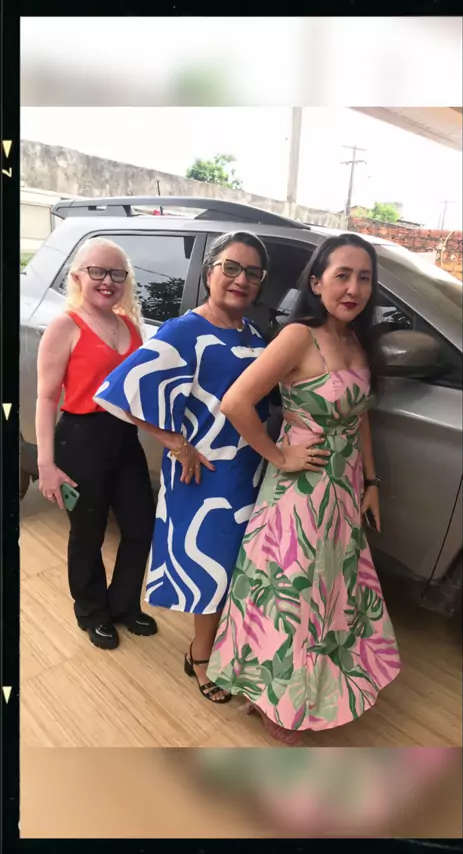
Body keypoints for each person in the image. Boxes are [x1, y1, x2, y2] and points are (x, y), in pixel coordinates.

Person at [93, 231, 326, 703]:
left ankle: (223, 648)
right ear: (209, 273)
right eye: (231, 268)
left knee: (239, 567)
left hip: (250, 469)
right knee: (213, 567)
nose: (241, 280)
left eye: (253, 273)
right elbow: (118, 390)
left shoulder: (253, 335)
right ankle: (199, 656)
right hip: (205, 474)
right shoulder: (185, 330)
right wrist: (175, 443)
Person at [207, 233, 401, 741]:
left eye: (364, 278)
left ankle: (314, 689)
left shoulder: (356, 340)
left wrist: (372, 481)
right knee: (290, 594)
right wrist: (279, 455)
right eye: (342, 275)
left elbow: (359, 418)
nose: (354, 288)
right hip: (299, 491)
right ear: (316, 282)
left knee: (329, 591)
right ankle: (274, 700)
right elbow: (236, 402)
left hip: (343, 487)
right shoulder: (299, 336)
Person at [36, 237, 157, 650]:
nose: (108, 281)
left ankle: (123, 605)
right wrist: (46, 464)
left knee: (140, 527)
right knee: (87, 533)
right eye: (98, 272)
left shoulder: (129, 326)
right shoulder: (65, 326)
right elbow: (46, 398)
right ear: (77, 277)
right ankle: (91, 611)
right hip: (81, 438)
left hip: (124, 438)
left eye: (117, 273)